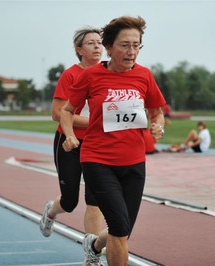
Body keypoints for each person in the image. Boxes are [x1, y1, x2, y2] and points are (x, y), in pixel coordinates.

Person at [60, 16, 166, 266]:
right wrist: (70, 135)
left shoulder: (144, 75)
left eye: (136, 45)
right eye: (125, 45)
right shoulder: (90, 76)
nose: (132, 52)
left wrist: (157, 125)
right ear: (109, 48)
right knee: (119, 227)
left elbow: (157, 110)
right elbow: (66, 111)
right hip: (98, 160)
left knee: (124, 228)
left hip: (134, 163)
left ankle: (94, 244)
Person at [39, 26, 104, 256]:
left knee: (94, 201)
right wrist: (93, 121)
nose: (98, 46)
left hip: (97, 145)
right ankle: (51, 211)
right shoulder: (71, 75)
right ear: (79, 49)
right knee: (70, 201)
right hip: (70, 142)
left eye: (99, 42)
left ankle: (92, 254)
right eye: (91, 43)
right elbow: (57, 112)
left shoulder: (108, 74)